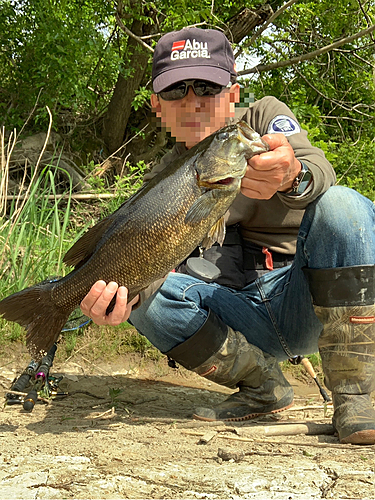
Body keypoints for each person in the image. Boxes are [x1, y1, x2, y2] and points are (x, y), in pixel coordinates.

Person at [80, 28, 375, 445]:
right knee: (140, 294)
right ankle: (263, 387)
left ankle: (356, 397)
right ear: (156, 106)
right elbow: (150, 270)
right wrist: (114, 302)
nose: (192, 99)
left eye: (207, 86)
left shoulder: (260, 122)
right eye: (175, 90)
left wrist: (293, 175)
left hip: (305, 301)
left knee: (344, 204)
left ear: (233, 93)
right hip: (232, 317)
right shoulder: (160, 181)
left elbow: (317, 170)